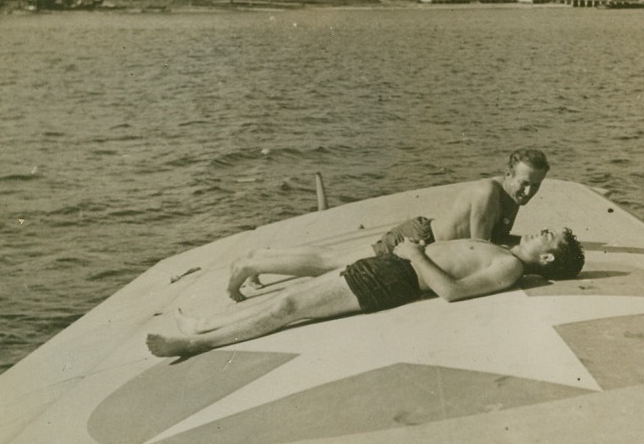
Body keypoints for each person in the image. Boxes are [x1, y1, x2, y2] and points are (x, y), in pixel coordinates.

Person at [147, 227, 584, 358]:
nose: (545, 231)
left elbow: (452, 291)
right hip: (389, 266)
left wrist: (415, 256)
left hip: (393, 280)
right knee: (292, 297)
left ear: (547, 258)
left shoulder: (508, 266)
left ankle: (194, 343)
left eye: (552, 237)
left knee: (288, 306)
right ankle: (203, 323)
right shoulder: (506, 251)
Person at [227, 147, 551, 301]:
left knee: (331, 260)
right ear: (508, 174)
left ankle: (259, 259)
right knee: (329, 263)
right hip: (417, 239)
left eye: (535, 185)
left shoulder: (511, 196)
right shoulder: (488, 193)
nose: (528, 191)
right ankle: (251, 261)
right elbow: (482, 249)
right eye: (523, 182)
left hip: (425, 243)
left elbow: (498, 238)